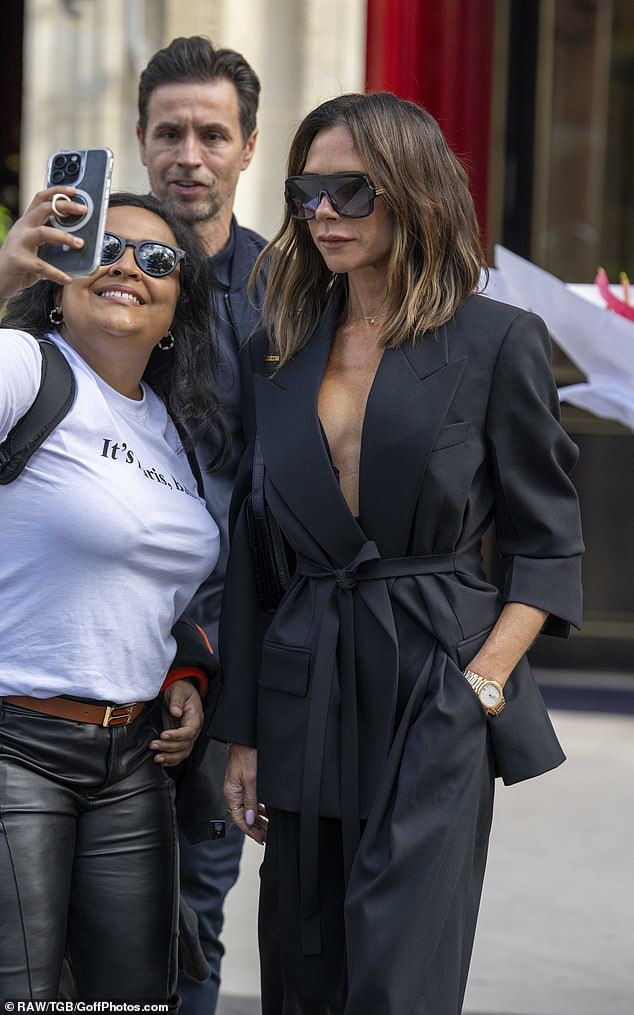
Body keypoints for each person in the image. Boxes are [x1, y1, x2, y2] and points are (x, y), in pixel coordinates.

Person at [214, 92, 584, 1015]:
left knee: (397, 975)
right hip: (306, 680)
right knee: (305, 971)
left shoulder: (497, 341)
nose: (324, 212)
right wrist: (244, 731)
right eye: (307, 190)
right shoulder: (277, 351)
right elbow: (258, 561)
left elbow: (546, 541)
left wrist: (482, 685)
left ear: (414, 193)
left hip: (436, 678)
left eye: (352, 189)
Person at [0, 186, 227, 1003]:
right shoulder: (25, 366)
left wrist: (186, 678)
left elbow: (162, 597)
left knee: (131, 998)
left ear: (177, 306)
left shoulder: (175, 429)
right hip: (15, 745)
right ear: (61, 276)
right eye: (105, 248)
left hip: (133, 759)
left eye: (158, 259)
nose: (129, 265)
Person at [136, 35, 266, 1011]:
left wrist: (218, 665)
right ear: (141, 144)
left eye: (210, 134)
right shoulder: (97, 285)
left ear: (247, 148)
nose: (190, 153)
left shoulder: (294, 292)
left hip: (226, 656)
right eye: (170, 132)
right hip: (87, 652)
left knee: (194, 913)